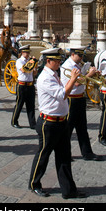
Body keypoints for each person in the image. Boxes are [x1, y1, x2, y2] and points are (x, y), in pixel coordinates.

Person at [29, 48, 86, 199]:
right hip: (49, 123)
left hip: (61, 121)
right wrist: (73, 79)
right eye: (57, 61)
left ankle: (68, 190)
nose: (60, 63)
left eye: (60, 60)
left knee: (64, 157)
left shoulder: (54, 74)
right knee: (43, 155)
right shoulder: (45, 78)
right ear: (49, 61)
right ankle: (34, 184)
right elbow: (62, 95)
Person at [60, 47, 104, 161]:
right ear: (72, 54)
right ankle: (64, 154)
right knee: (68, 129)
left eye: (82, 56)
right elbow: (76, 83)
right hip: (71, 99)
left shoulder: (78, 64)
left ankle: (87, 153)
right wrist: (89, 74)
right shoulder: (67, 66)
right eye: (79, 56)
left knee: (82, 128)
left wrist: (93, 74)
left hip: (80, 98)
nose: (81, 58)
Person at [11, 45, 37, 129]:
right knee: (19, 104)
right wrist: (32, 62)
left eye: (28, 52)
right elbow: (24, 69)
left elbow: (34, 73)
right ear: (22, 53)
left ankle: (32, 123)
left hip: (30, 85)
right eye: (26, 52)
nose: (28, 54)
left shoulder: (30, 61)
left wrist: (35, 66)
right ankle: (14, 121)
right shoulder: (19, 61)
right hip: (22, 85)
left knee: (31, 105)